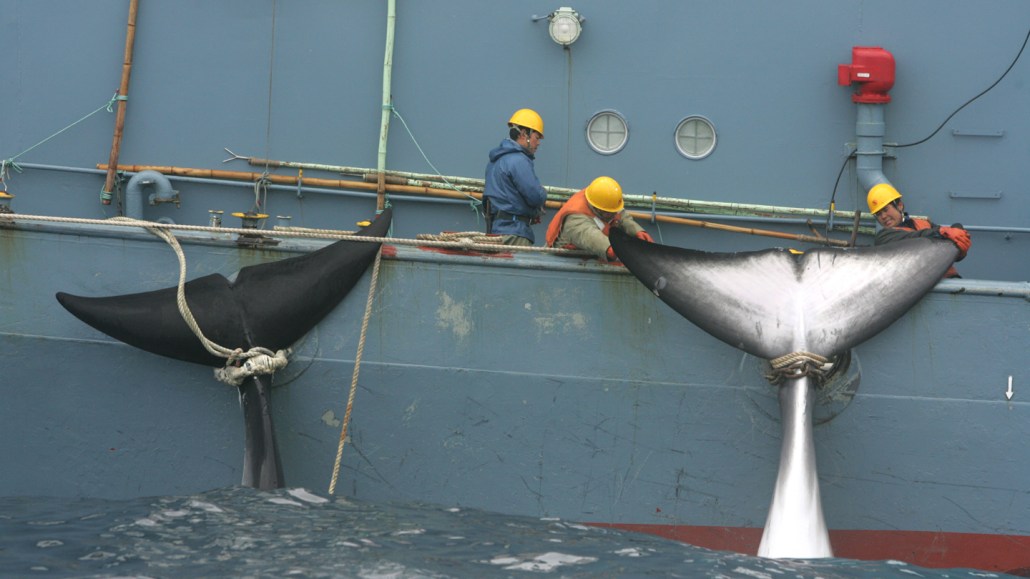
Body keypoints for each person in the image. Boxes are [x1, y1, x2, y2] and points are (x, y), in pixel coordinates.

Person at [867, 183, 971, 278]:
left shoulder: (924, 223)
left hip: (950, 282)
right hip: (921, 287)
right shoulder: (884, 238)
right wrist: (940, 232)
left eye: (885, 210)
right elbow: (913, 239)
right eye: (878, 214)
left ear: (899, 205)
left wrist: (958, 234)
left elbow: (951, 247)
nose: (883, 216)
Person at [546, 176, 654, 261]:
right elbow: (591, 236)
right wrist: (612, 249)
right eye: (609, 212)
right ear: (597, 208)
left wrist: (637, 231)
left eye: (614, 210)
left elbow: (621, 214)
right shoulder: (575, 219)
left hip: (590, 256)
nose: (613, 214)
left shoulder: (600, 198)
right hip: (566, 260)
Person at [482, 108, 548, 246]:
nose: (538, 143)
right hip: (515, 233)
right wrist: (543, 193)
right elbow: (535, 196)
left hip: (496, 231)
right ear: (524, 134)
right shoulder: (519, 161)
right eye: (536, 137)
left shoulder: (495, 161)